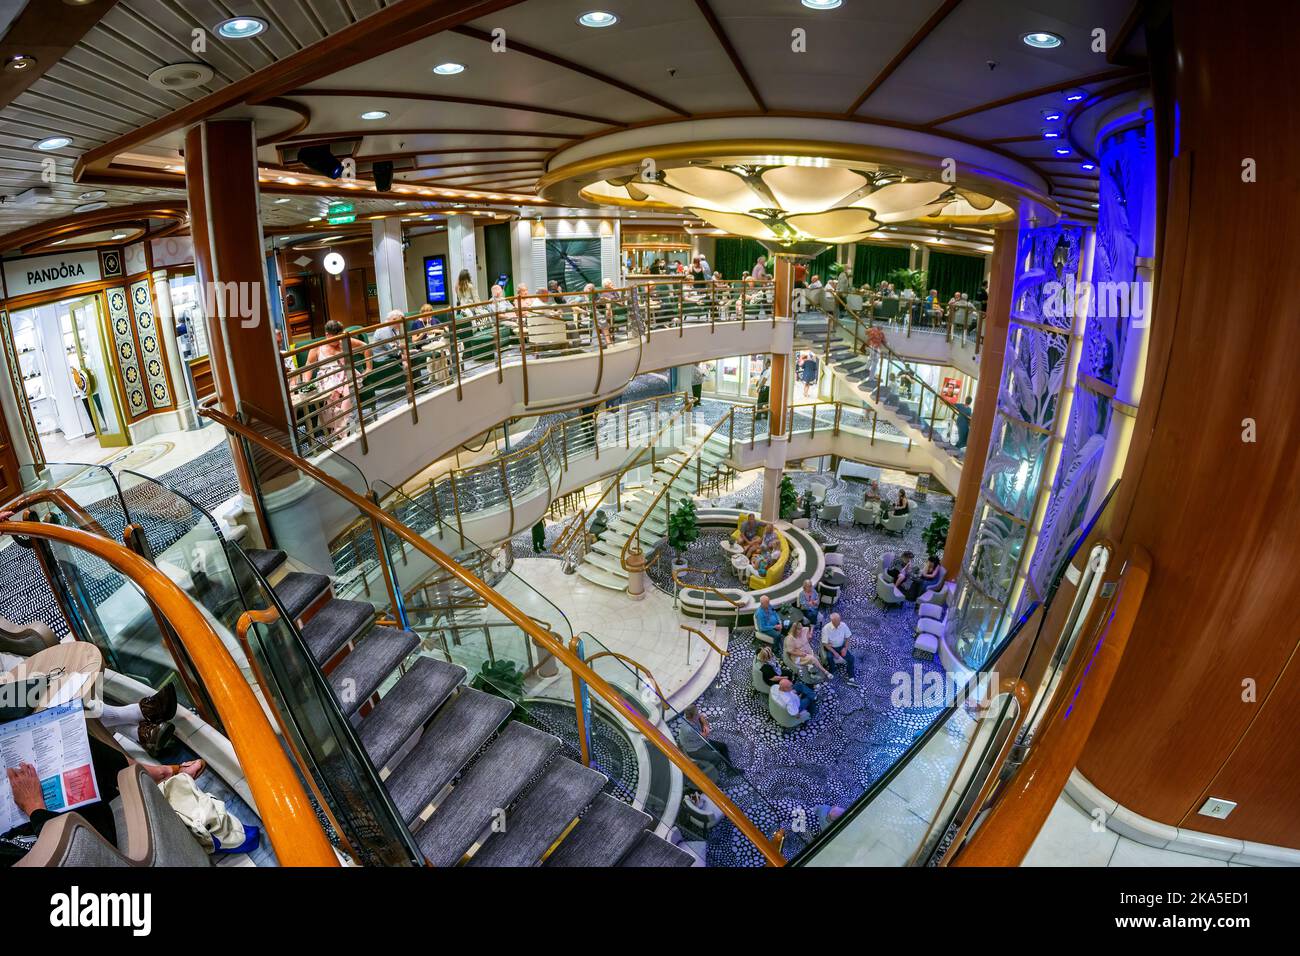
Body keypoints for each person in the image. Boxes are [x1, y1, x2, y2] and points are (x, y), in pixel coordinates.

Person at [307, 320, 373, 437]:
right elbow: (309, 366)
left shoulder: (346, 341)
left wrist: (369, 368)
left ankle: (340, 430)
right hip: (327, 377)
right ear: (327, 335)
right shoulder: (317, 348)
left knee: (348, 392)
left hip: (346, 373)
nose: (338, 341)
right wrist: (306, 383)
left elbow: (366, 347)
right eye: (335, 338)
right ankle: (341, 429)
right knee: (333, 394)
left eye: (339, 337)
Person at [757, 647, 817, 716]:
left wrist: (791, 691)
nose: (772, 655)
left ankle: (812, 695)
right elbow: (795, 713)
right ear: (786, 689)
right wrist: (800, 717)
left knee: (799, 685)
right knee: (809, 698)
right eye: (791, 685)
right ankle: (812, 711)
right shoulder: (789, 701)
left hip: (790, 693)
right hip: (797, 704)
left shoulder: (774, 688)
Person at [678, 704, 730, 770]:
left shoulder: (688, 716)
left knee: (723, 746)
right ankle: (710, 771)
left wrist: (704, 724)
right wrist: (706, 727)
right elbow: (705, 735)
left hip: (701, 741)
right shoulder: (689, 729)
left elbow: (701, 717)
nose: (698, 714)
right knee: (717, 758)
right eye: (697, 713)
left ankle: (729, 769)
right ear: (693, 716)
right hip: (695, 750)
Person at [821, 612, 857, 686]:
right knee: (829, 657)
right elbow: (825, 643)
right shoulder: (826, 628)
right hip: (830, 647)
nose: (839, 624)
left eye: (839, 621)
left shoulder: (843, 625)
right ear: (832, 622)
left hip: (841, 646)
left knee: (851, 659)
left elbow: (848, 637)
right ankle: (832, 670)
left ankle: (851, 677)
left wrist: (845, 649)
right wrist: (834, 652)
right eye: (837, 622)